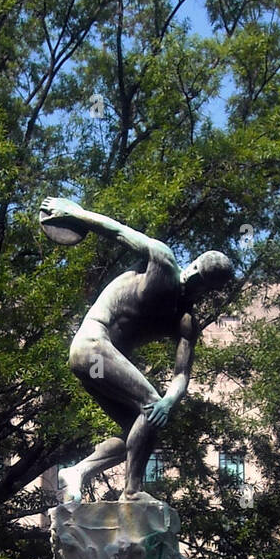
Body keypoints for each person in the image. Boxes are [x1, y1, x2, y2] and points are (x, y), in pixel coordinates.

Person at [39, 197, 234, 499]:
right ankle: (132, 493)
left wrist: (168, 403)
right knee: (149, 403)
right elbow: (117, 231)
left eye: (202, 280)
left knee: (141, 427)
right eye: (195, 267)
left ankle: (77, 472)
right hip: (91, 344)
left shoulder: (184, 322)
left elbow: (182, 374)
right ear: (192, 262)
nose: (192, 276)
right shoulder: (163, 262)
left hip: (99, 363)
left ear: (207, 289)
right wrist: (74, 213)